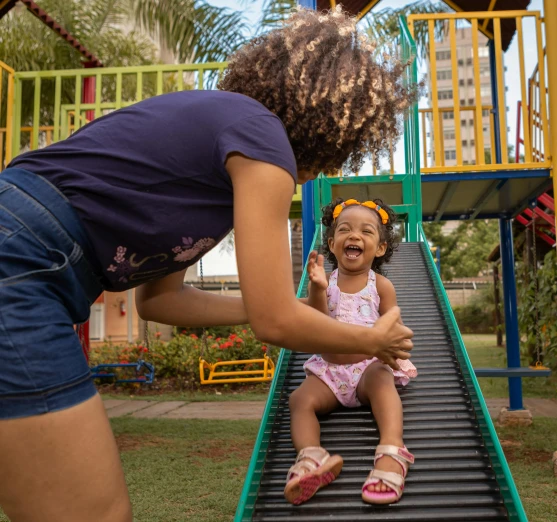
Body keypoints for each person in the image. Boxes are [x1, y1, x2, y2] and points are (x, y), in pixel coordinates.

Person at [0, 8, 415, 521]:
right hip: (22, 259)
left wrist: (270, 305)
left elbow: (162, 301)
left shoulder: (213, 156)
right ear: (330, 124)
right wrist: (371, 341)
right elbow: (276, 323)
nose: (323, 170)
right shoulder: (263, 139)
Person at [285, 198, 417, 506]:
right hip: (330, 372)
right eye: (345, 229)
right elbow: (317, 323)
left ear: (380, 248)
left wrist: (393, 351)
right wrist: (317, 289)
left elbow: (392, 324)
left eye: (366, 231)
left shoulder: (381, 286)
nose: (354, 236)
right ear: (332, 244)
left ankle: (393, 450)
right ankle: (312, 455)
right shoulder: (325, 283)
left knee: (383, 382)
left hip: (367, 367)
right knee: (299, 400)